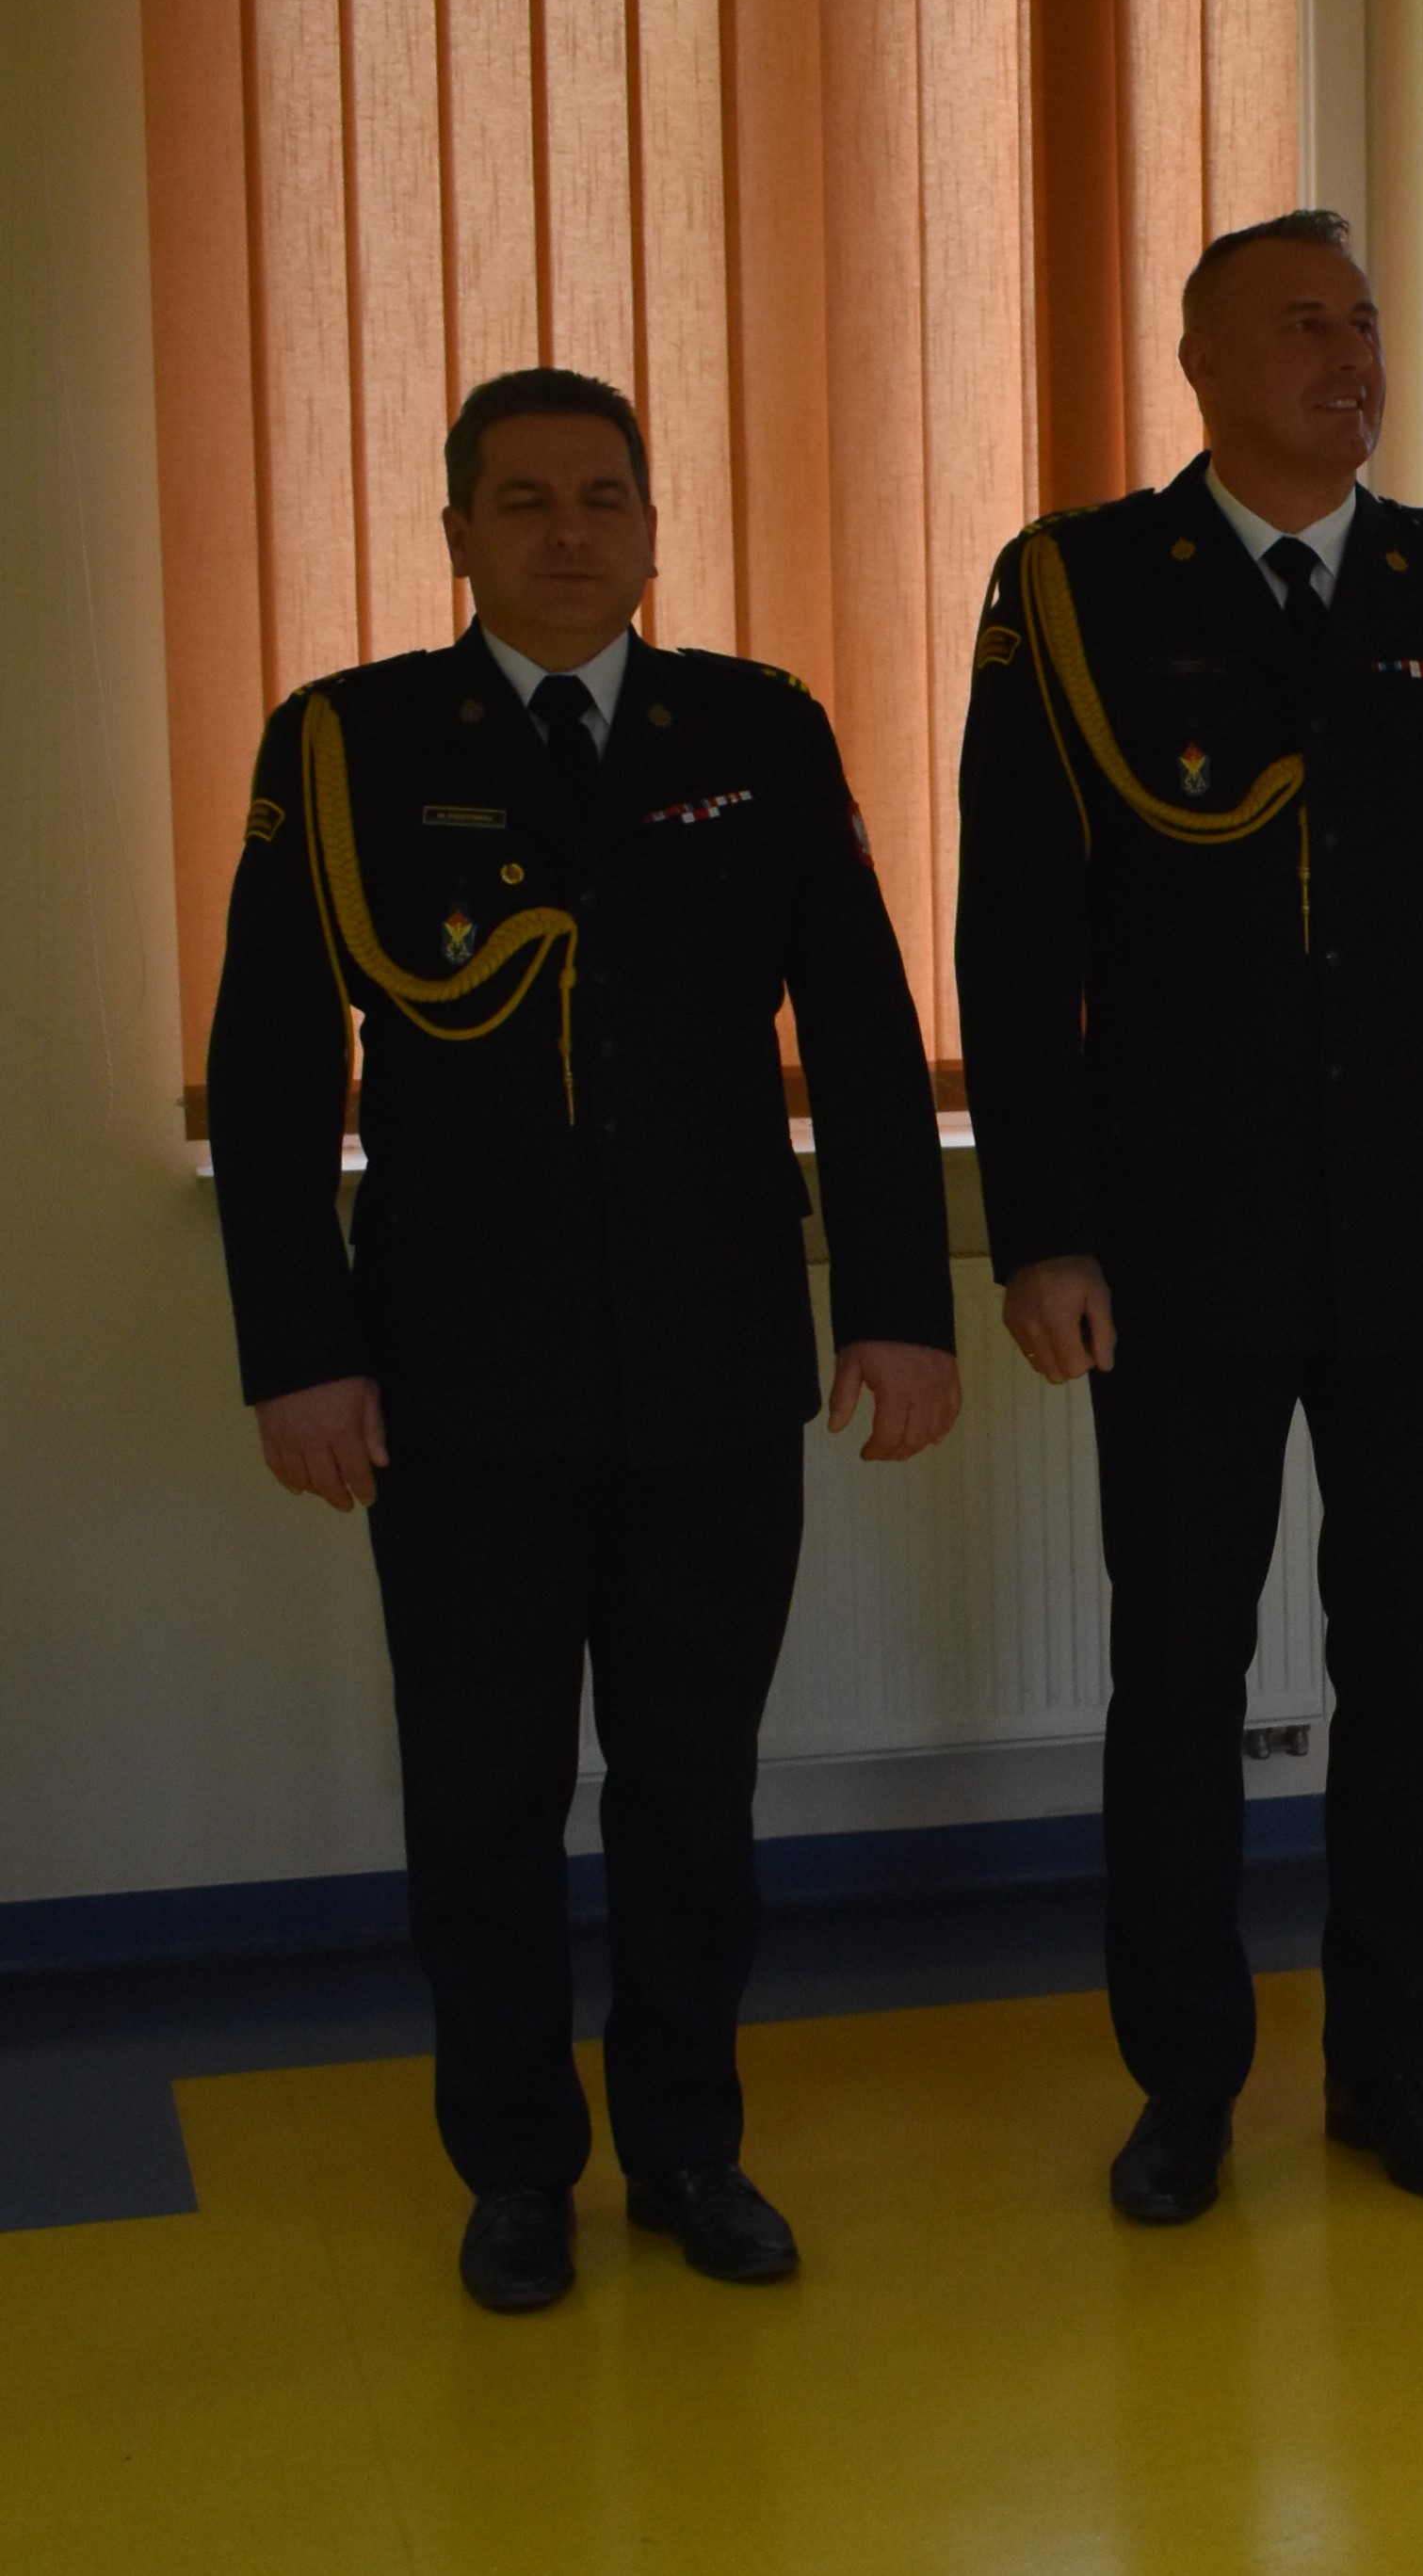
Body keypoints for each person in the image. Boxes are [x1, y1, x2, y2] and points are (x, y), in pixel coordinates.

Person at [207, 367, 961, 2313]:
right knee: (483, 1797)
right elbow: (273, 1074)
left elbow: (863, 1035)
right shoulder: (351, 742)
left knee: (694, 1790)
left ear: (651, 529)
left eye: (602, 497)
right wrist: (297, 1349)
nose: (567, 532)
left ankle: (691, 2150)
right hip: (457, 1372)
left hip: (712, 1362)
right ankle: (516, 2169)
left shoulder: (756, 729)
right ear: (455, 532)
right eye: (524, 500)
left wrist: (897, 1311)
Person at [955, 209, 1423, 2225]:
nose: (1349, 355)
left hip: (1420, 1235)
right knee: (1178, 1676)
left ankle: (1392, 2066)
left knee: (1410, 1671)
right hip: (1178, 1244)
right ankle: (1184, 2083)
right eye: (1302, 323)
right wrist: (1044, 1231)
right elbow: (1015, 939)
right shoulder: (1074, 592)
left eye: (1364, 322)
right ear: (1202, 365)